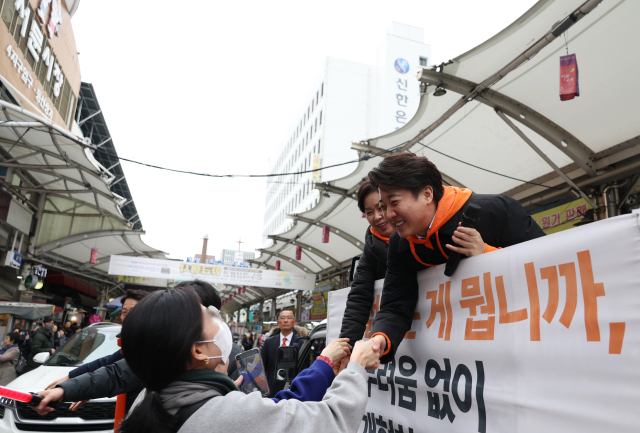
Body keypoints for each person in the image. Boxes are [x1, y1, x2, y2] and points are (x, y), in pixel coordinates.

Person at [34, 288, 379, 433]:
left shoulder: (147, 399)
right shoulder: (225, 414)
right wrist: (357, 367)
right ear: (197, 350)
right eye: (208, 317)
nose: (220, 322)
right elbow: (331, 420)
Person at [365, 152, 546, 363]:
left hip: (522, 348)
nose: (388, 215)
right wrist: (379, 340)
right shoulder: (399, 243)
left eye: (394, 202)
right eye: (384, 206)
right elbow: (396, 303)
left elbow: (548, 270)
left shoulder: (496, 210)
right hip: (455, 364)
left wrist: (486, 254)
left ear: (427, 194)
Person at [46, 289, 149, 414]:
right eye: (124, 312)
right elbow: (107, 362)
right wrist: (70, 377)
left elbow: (114, 375)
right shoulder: (130, 345)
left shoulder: (151, 348)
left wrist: (70, 389)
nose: (127, 317)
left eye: (134, 311)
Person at [340, 179, 395, 348]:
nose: (377, 217)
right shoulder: (370, 251)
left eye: (381, 207)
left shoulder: (422, 235)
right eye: (369, 212)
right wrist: (345, 349)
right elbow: (358, 300)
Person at [261, 309, 303, 396]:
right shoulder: (269, 342)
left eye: (289, 318)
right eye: (282, 318)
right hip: (271, 388)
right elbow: (262, 365)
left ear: (294, 322)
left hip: (292, 388)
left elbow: (304, 367)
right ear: (278, 322)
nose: (286, 320)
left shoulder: (300, 343)